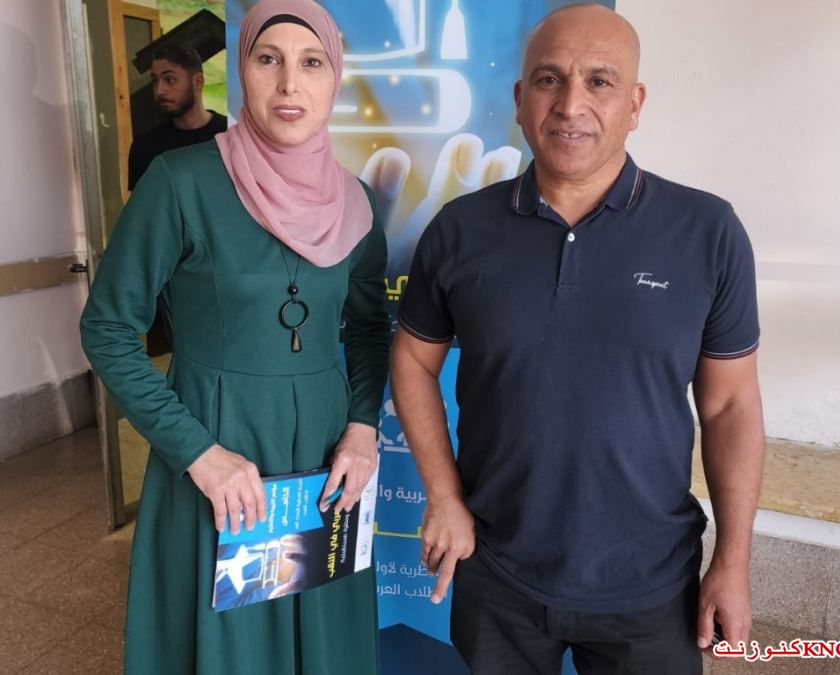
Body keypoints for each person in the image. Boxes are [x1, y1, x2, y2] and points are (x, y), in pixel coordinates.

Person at [390, 4, 765, 674]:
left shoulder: (707, 232)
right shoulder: (459, 229)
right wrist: (443, 496)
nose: (570, 105)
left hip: (651, 584)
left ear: (635, 103)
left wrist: (732, 560)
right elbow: (414, 359)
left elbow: (730, 405)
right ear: (519, 98)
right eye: (549, 79)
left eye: (599, 81)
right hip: (497, 571)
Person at [81, 1, 389, 673]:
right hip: (218, 452)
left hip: (324, 461)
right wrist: (197, 452)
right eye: (268, 59)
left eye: (312, 63)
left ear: (335, 77)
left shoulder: (357, 202)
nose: (289, 84)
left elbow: (369, 327)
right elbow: (106, 328)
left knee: (325, 643)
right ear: (242, 70)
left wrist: (364, 425)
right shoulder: (180, 182)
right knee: (232, 648)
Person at [127, 41, 227, 191]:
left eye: (170, 79)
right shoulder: (145, 147)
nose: (160, 90)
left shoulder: (230, 136)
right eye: (155, 81)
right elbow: (142, 205)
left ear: (197, 82)